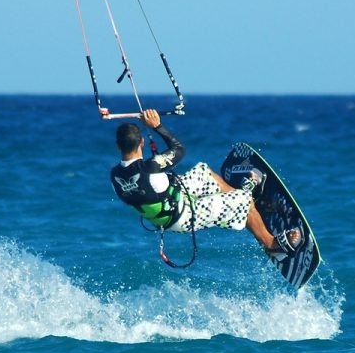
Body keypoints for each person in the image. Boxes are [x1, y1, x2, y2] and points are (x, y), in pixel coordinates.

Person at [110, 109, 301, 259]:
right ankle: (271, 245)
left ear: (118, 146)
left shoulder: (115, 176)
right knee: (243, 200)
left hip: (169, 202)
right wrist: (157, 126)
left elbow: (142, 186)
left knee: (204, 172)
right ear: (142, 142)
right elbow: (179, 149)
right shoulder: (151, 166)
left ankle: (239, 203)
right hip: (181, 216)